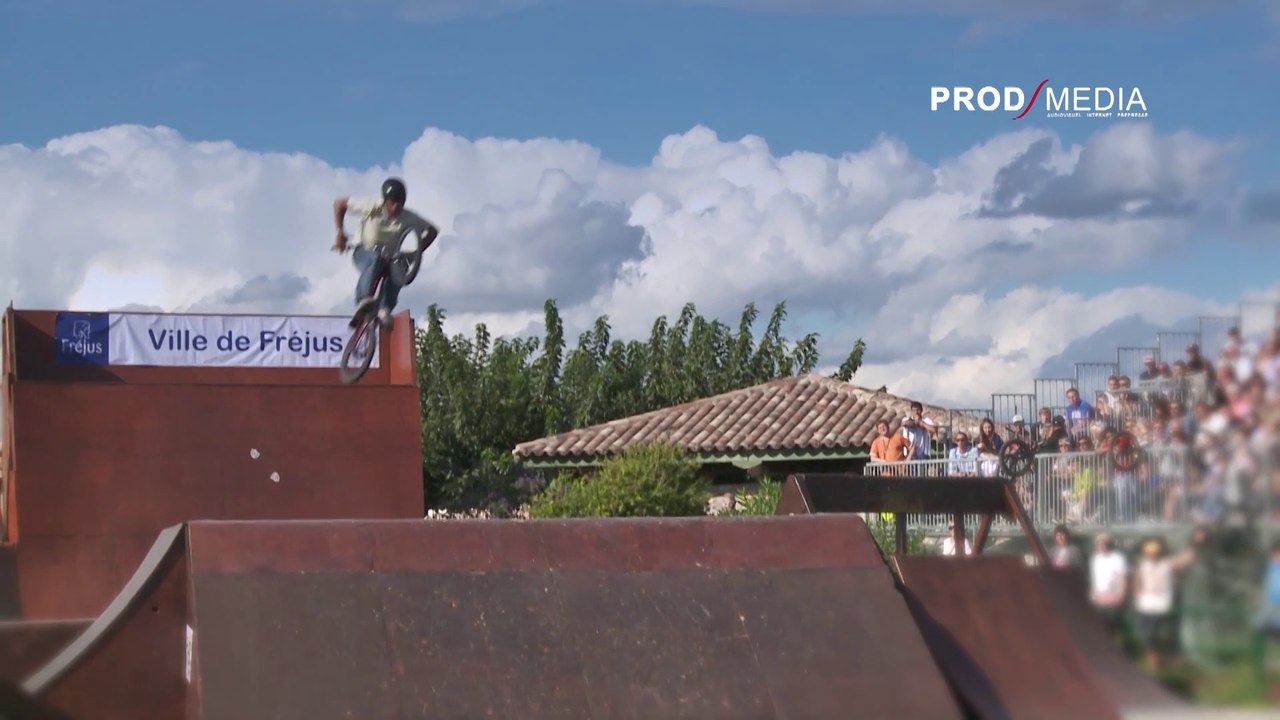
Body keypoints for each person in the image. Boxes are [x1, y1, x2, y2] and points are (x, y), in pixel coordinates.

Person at [332, 177, 440, 327]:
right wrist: (339, 232)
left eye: (400, 203)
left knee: (400, 265)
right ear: (385, 201)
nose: (396, 207)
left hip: (389, 258)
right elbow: (340, 204)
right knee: (375, 257)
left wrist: (416, 253)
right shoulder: (371, 207)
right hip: (364, 252)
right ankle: (363, 299)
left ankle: (385, 309)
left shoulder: (408, 217)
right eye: (392, 203)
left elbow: (432, 231)